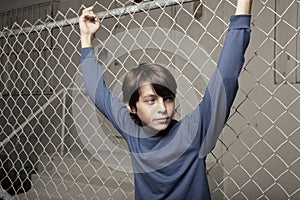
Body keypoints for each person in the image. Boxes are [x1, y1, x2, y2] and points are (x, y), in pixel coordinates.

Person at [79, 0, 252, 199]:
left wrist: (244, 4)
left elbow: (226, 77)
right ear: (131, 107)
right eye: (151, 101)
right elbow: (97, 91)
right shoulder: (132, 130)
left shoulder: (193, 131)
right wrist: (85, 37)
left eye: (168, 99)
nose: (162, 108)